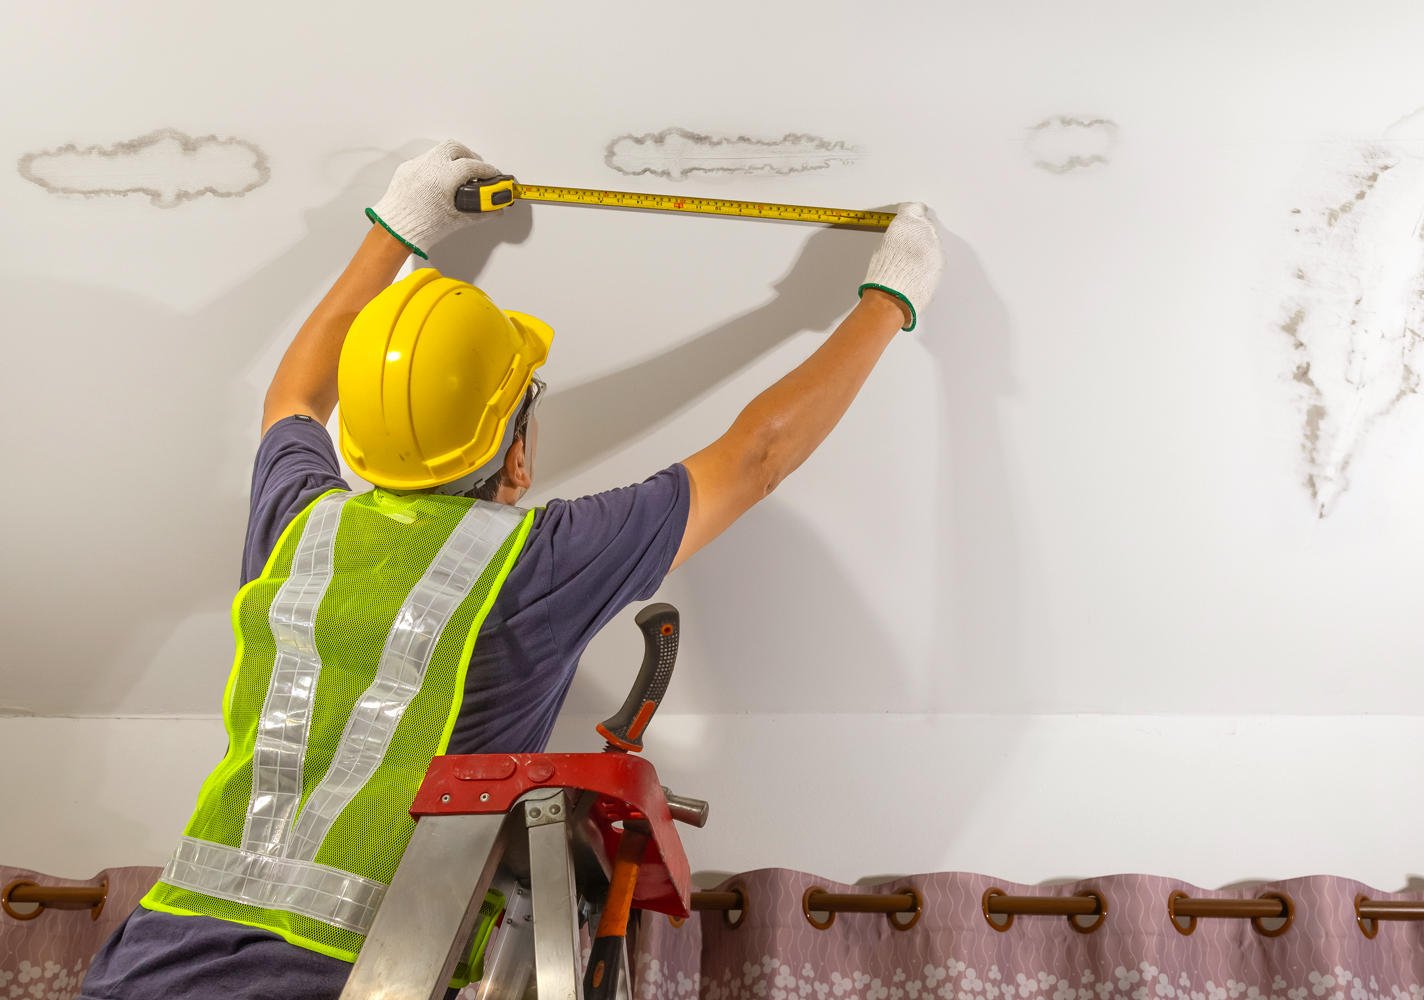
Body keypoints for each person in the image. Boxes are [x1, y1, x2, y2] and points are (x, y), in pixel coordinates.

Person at [78, 139, 943, 1000]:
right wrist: (892, 295)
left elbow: (294, 397)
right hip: (335, 982)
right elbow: (756, 458)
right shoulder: (536, 562)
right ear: (517, 454)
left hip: (143, 965)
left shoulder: (297, 520)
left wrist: (400, 227)